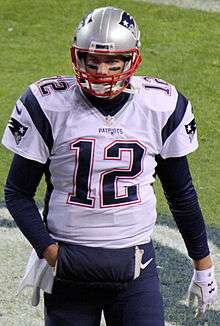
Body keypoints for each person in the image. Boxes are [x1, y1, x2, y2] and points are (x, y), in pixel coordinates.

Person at [2, 6, 218, 326]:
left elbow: (181, 193)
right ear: (78, 58)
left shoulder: (160, 106)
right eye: (93, 61)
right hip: (68, 264)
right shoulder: (47, 104)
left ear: (131, 59)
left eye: (112, 61)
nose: (102, 70)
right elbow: (17, 191)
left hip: (135, 265)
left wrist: (203, 264)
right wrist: (49, 252)